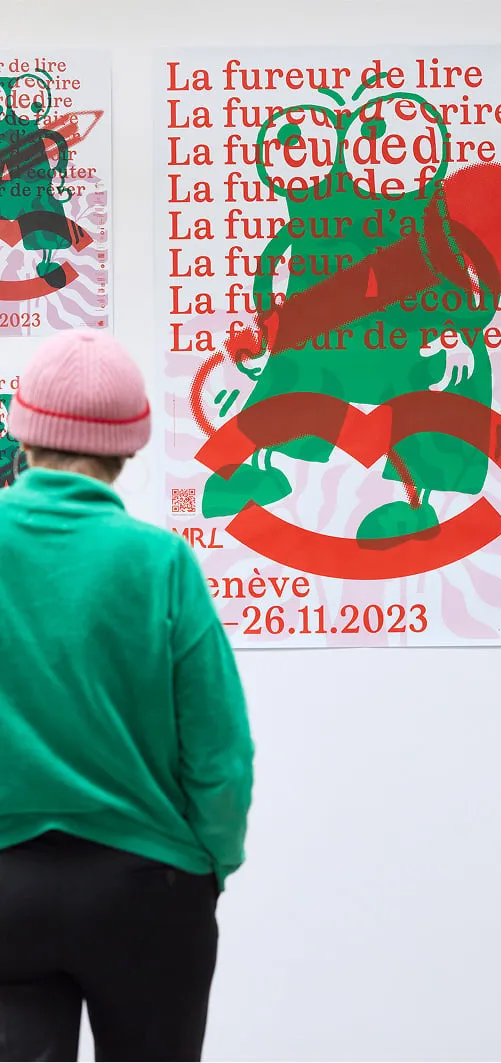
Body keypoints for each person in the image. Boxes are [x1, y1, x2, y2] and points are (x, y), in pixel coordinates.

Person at [0, 329, 254, 1062]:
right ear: (130, 445)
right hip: (146, 888)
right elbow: (220, 752)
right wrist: (211, 863)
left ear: (22, 431)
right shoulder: (161, 562)